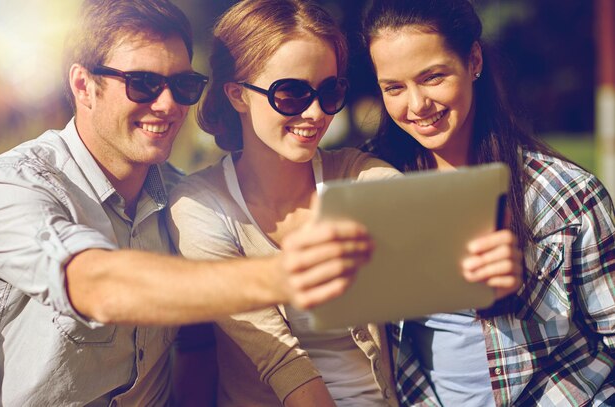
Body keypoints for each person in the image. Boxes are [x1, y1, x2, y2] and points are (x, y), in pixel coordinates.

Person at [0, 0, 378, 405]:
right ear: (84, 86)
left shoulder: (181, 200)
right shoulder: (14, 186)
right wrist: (284, 275)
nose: (168, 104)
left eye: (183, 86)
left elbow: (199, 353)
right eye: (142, 83)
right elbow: (95, 285)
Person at [167, 0, 522, 406]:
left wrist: (478, 261)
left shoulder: (362, 176)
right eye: (291, 94)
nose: (317, 113)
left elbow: (436, 249)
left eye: (329, 91)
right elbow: (278, 359)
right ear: (237, 95)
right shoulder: (199, 204)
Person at [361, 0, 615, 405]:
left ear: (473, 59)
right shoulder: (370, 189)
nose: (416, 105)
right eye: (394, 87)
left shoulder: (565, 196)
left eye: (432, 77)